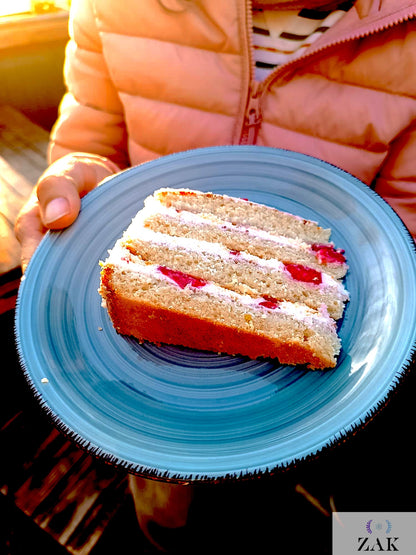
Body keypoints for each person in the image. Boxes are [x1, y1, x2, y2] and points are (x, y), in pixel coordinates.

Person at [14, 0, 416, 551]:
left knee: (378, 522)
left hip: (359, 381)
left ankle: (374, 545)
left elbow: (405, 219)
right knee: (186, 526)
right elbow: (89, 139)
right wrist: (78, 186)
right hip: (159, 398)